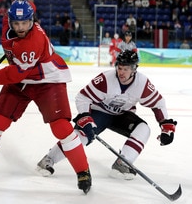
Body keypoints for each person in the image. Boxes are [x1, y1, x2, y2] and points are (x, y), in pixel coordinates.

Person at [0, 0, 92, 194]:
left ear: (31, 20)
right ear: (10, 20)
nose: (20, 27)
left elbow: (15, 74)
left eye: (25, 23)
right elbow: (29, 5)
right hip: (22, 79)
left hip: (47, 79)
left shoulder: (33, 41)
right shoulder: (9, 23)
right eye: (16, 23)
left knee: (61, 127)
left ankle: (83, 171)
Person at [36, 50, 177, 180]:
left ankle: (122, 163)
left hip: (122, 115)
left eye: (126, 69)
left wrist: (166, 127)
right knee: (81, 136)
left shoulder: (142, 83)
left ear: (134, 69)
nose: (121, 72)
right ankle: (48, 159)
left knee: (143, 129)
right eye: (119, 68)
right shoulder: (105, 79)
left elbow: (158, 103)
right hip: (99, 112)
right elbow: (83, 97)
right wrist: (86, 117)